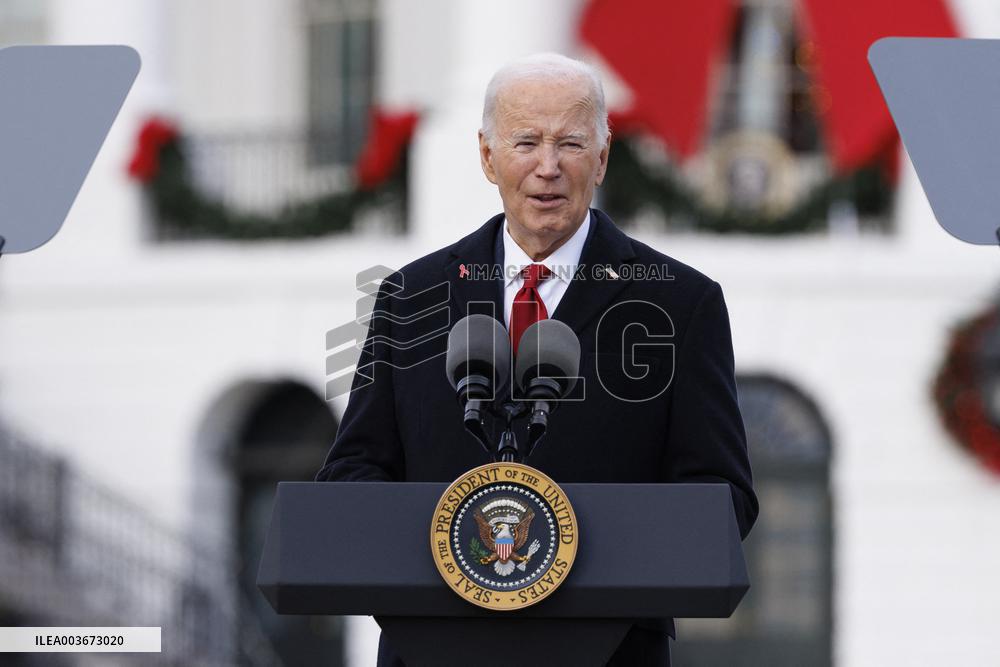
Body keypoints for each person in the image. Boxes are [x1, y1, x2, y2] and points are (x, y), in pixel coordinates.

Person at [317, 52, 758, 666]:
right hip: (434, 646)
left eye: (571, 144)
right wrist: (449, 538)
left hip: (610, 650)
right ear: (486, 156)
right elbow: (354, 471)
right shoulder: (410, 296)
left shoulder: (680, 303)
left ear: (602, 158)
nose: (547, 168)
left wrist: (582, 543)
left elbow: (723, 496)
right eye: (525, 142)